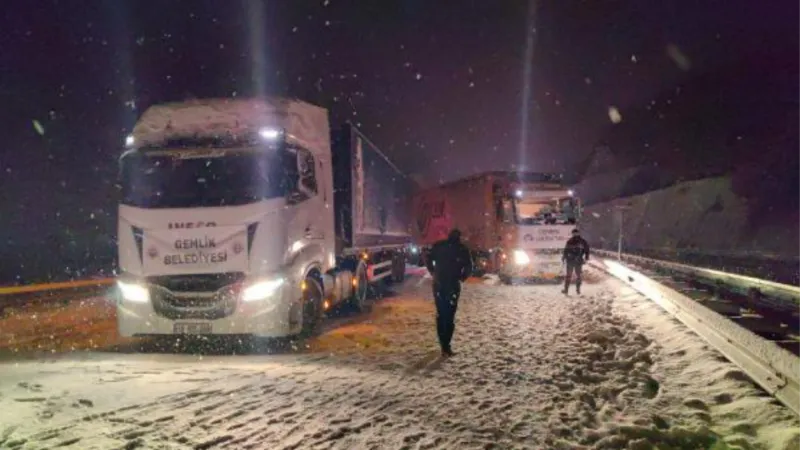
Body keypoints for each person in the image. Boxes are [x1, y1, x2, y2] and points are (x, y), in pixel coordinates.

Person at [425, 228, 473, 357]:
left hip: (439, 284)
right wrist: (462, 277)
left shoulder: (439, 246)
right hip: (452, 284)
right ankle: (447, 345)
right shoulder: (462, 249)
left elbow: (428, 258)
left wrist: (433, 271)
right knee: (450, 316)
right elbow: (469, 266)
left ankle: (443, 344)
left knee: (441, 314)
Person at [562, 228, 590, 295]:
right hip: (572, 260)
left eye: (576, 233)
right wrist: (564, 257)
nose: (574, 234)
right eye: (574, 233)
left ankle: (577, 290)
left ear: (578, 233)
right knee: (570, 276)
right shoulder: (570, 241)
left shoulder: (582, 241)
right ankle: (567, 290)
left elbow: (587, 250)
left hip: (576, 260)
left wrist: (586, 257)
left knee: (577, 276)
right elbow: (566, 250)